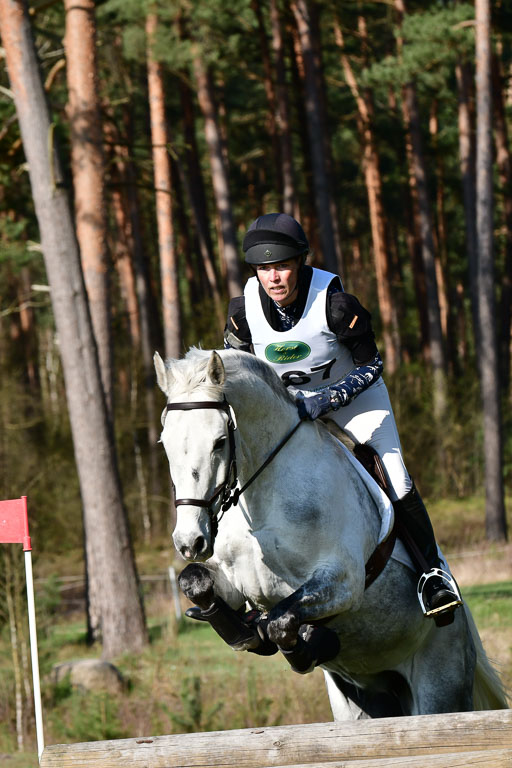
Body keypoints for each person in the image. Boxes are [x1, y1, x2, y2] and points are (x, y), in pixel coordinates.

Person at [224, 212, 462, 624]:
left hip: (355, 398)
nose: (274, 278)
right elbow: (237, 372)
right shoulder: (242, 312)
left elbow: (374, 364)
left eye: (281, 266)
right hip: (290, 408)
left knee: (396, 475)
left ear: (300, 262)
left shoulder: (336, 305)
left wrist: (330, 397)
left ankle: (432, 574)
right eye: (264, 269)